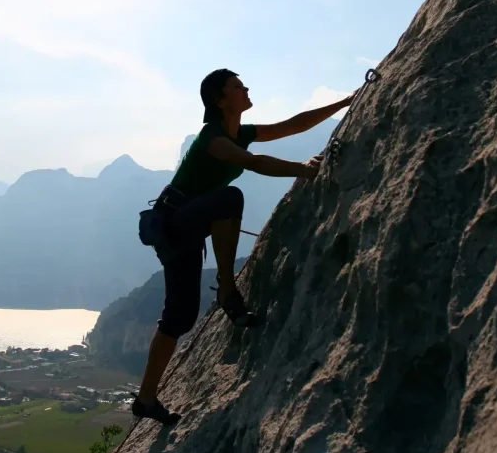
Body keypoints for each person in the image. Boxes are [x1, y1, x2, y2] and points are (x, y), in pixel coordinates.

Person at [132, 68, 356, 425]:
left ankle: (146, 399)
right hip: (175, 225)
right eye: (237, 86)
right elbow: (252, 163)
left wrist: (345, 103)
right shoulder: (213, 138)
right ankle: (228, 289)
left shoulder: (241, 132)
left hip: (184, 227)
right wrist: (303, 169)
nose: (246, 88)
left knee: (181, 315)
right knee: (229, 199)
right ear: (220, 100)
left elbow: (293, 125)